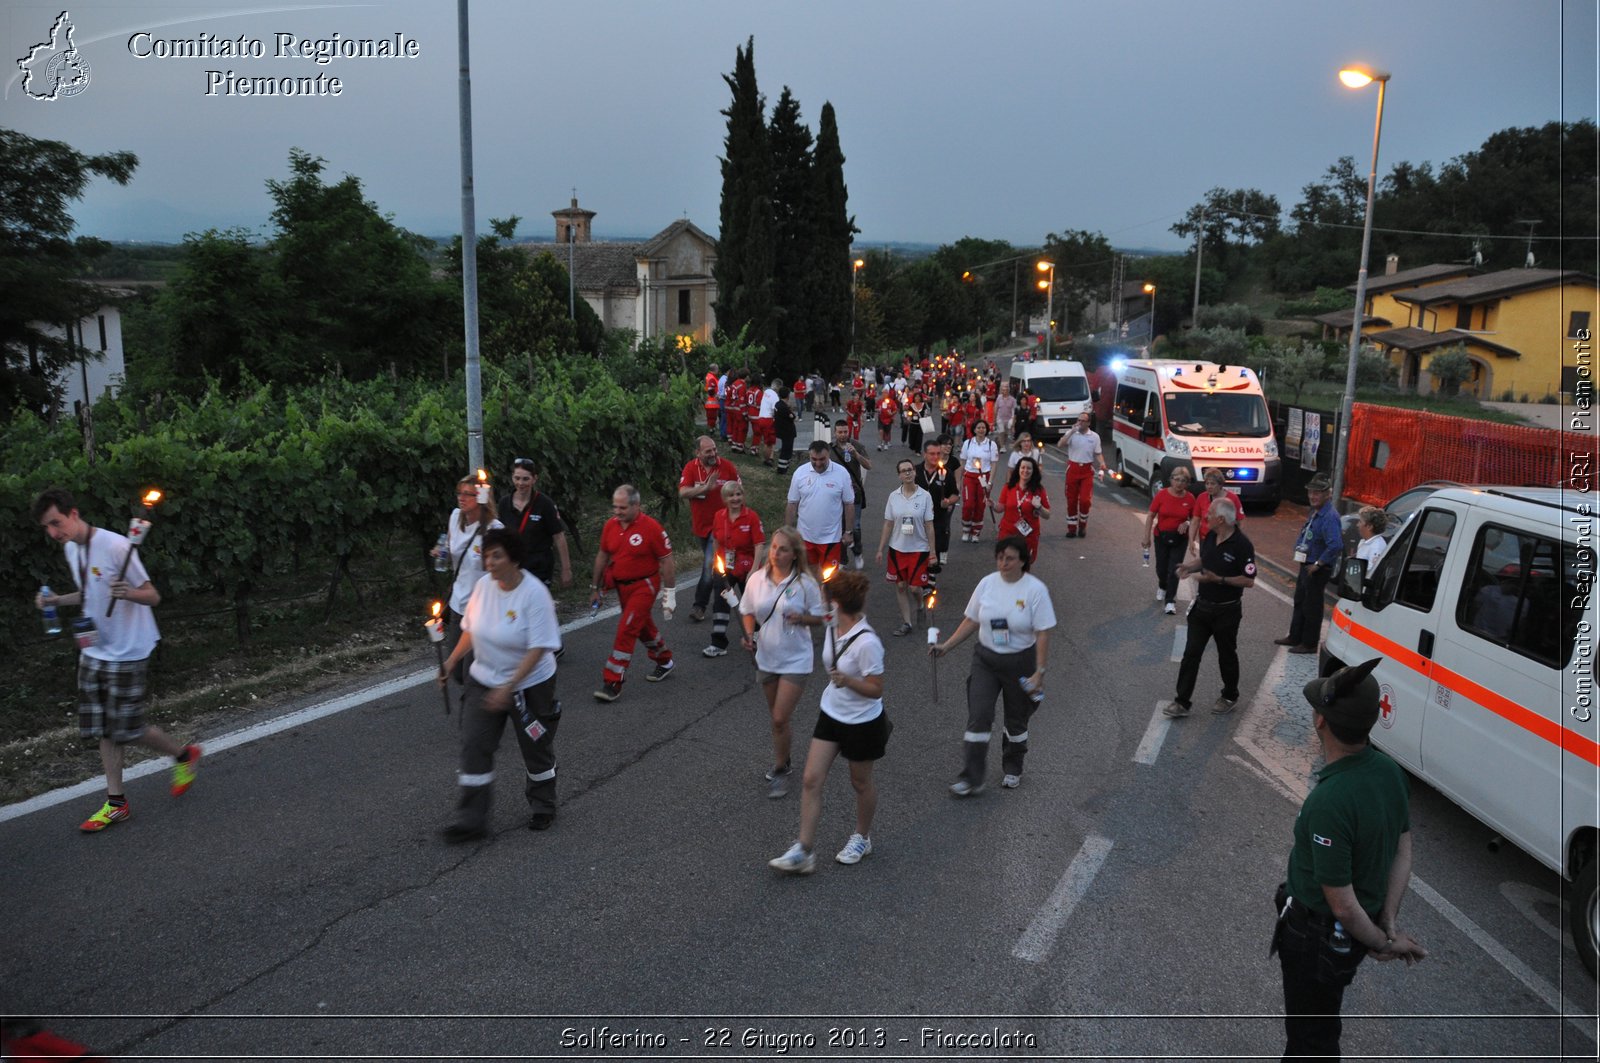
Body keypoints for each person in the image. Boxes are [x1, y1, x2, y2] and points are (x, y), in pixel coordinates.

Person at [1272, 657, 1427, 1060]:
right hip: (1351, 933)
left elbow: (1340, 902)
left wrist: (1383, 943)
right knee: (1321, 1026)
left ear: (1321, 721)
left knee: (1312, 1043)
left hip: (1317, 938)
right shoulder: (1390, 773)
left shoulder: (1329, 800)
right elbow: (1402, 851)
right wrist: (1386, 924)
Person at [32, 488, 201, 832]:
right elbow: (88, 592)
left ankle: (184, 755)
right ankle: (116, 803)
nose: (53, 532)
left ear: (74, 514)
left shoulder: (116, 546)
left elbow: (152, 595)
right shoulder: (71, 549)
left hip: (128, 649)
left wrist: (130, 592)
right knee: (103, 728)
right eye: (47, 527)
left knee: (128, 729)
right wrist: (56, 602)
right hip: (95, 647)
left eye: (56, 522)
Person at [437, 528, 562, 840]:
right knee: (474, 745)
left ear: (514, 560)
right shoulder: (482, 587)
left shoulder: (534, 594)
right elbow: (471, 628)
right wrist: (451, 661)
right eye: (487, 555)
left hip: (530, 684)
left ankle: (543, 805)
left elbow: (538, 648)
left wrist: (509, 687)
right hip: (484, 678)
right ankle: (471, 820)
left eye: (497, 556)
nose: (489, 562)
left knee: (535, 747)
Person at [768, 569, 888, 873]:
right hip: (832, 713)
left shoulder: (867, 643)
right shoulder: (832, 622)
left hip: (862, 721)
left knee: (860, 782)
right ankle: (804, 851)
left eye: (825, 599)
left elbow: (876, 689)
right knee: (811, 779)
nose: (821, 604)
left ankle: (862, 837)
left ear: (835, 605)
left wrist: (848, 680)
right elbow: (812, 619)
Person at [930, 536, 1056, 794]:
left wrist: (1039, 672)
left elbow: (1043, 632)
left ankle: (1013, 765)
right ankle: (972, 778)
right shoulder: (987, 584)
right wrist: (946, 646)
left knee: (1016, 721)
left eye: (1009, 558)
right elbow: (971, 620)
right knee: (979, 716)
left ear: (1023, 560)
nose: (1003, 563)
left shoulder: (1035, 590)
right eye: (1000, 557)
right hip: (985, 660)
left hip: (1020, 661)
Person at [739, 526, 828, 798]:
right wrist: (749, 635)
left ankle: (779, 770)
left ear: (794, 554)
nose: (776, 553)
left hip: (796, 660)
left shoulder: (805, 584)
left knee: (780, 717)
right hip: (765, 658)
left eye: (783, 549)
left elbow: (823, 617)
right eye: (774, 547)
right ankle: (786, 759)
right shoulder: (757, 580)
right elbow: (747, 610)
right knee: (777, 719)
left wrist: (802, 619)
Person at [1162, 498, 1256, 718]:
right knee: (1191, 654)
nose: (1206, 517)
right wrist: (1188, 566)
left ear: (1221, 519)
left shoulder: (1243, 545)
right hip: (1202, 608)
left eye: (1210, 514)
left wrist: (1219, 580)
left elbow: (1249, 580)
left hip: (1227, 611)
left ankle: (1230, 695)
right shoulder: (1212, 535)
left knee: (1226, 655)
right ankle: (1182, 702)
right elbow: (1205, 560)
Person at [590, 485, 676, 702]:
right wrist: (595, 588)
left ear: (636, 506)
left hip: (644, 586)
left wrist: (670, 593)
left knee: (627, 628)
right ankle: (664, 660)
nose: (617, 512)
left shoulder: (652, 528)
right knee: (642, 627)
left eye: (622, 507)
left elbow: (666, 561)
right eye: (615, 507)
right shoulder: (610, 526)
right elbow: (602, 555)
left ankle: (613, 681)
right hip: (622, 587)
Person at [439, 474, 505, 678]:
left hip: (482, 609)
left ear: (482, 497)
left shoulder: (494, 529)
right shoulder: (454, 517)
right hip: (459, 603)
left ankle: (477, 704)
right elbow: (449, 549)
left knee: (472, 672)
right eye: (460, 493)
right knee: (457, 671)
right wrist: (440, 551)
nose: (462, 498)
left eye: (468, 494)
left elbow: (504, 569)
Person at [1275, 474, 1343, 654]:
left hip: (1316, 567)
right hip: (1307, 563)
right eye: (1311, 492)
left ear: (1327, 494)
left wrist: (1319, 564)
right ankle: (1295, 636)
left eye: (1317, 493)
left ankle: (1310, 643)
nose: (1313, 496)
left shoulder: (1329, 516)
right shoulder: (1315, 512)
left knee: (1311, 605)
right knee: (1300, 600)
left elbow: (1335, 545)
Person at [677, 435, 741, 623]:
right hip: (701, 528)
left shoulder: (726, 467)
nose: (713, 453)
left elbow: (739, 491)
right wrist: (705, 489)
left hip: (722, 528)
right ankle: (724, 600)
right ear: (698, 453)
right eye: (708, 451)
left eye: (714, 449)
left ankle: (700, 606)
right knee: (718, 568)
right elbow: (683, 492)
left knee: (709, 566)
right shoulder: (691, 468)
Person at [703, 481, 766, 658]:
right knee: (721, 602)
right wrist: (717, 561)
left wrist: (754, 570)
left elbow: (759, 544)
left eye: (738, 494)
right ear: (724, 499)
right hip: (726, 568)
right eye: (731, 495)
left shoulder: (751, 517)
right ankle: (718, 643)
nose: (735, 498)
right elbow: (716, 540)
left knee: (751, 604)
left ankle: (756, 636)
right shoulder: (719, 516)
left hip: (747, 568)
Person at [876, 458, 936, 637]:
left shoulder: (925, 496)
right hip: (897, 549)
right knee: (901, 586)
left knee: (914, 588)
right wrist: (880, 548)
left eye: (910, 470)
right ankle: (906, 622)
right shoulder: (893, 496)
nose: (907, 473)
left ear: (915, 472)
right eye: (903, 471)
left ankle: (919, 605)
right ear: (899, 475)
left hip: (918, 549)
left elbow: (929, 525)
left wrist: (932, 551)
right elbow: (888, 523)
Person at [498, 458, 572, 588]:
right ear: (512, 478)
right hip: (513, 568)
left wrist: (566, 569)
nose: (520, 483)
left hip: (539, 569)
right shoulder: (504, 504)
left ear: (534, 479)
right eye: (517, 478)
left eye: (525, 479)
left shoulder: (545, 504)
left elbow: (559, 537)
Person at [785, 440, 854, 573]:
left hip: (831, 540)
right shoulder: (800, 473)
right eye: (814, 459)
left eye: (822, 459)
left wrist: (848, 532)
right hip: (804, 538)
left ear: (828, 455)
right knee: (807, 577)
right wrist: (787, 532)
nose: (818, 463)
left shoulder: (841, 473)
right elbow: (792, 504)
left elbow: (849, 504)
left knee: (829, 579)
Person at [1143, 467, 1196, 615]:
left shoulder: (1190, 498)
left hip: (1180, 539)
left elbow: (1195, 519)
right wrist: (1146, 537)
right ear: (1171, 480)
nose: (1179, 483)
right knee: (1161, 568)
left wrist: (1187, 524)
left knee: (1174, 569)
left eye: (1183, 481)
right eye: (1177, 479)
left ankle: (1170, 601)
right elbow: (1150, 515)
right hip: (1161, 536)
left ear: (1187, 483)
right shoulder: (1162, 495)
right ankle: (1162, 585)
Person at [829, 418, 872, 569]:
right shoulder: (829, 449)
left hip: (854, 492)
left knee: (855, 526)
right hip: (835, 494)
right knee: (839, 527)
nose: (843, 435)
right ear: (835, 433)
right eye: (840, 432)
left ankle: (858, 552)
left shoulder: (857, 446)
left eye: (845, 432)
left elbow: (869, 465)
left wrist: (857, 456)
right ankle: (842, 559)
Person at [993, 455, 1051, 563]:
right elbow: (1000, 508)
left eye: (1029, 468)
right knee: (1007, 564)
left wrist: (1039, 507)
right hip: (1008, 533)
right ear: (1018, 469)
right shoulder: (1008, 487)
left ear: (1033, 471)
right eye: (1022, 467)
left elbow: (1047, 515)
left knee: (1024, 565)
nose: (1025, 470)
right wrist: (993, 505)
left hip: (1029, 535)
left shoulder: (1039, 490)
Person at [1060, 412, 1109, 539]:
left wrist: (1102, 463)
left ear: (1088, 423)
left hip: (1087, 470)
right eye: (1078, 420)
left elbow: (1098, 453)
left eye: (1083, 421)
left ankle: (1082, 525)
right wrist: (1071, 432)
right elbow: (1060, 444)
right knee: (1071, 500)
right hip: (1073, 469)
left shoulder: (1094, 437)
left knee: (1085, 500)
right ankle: (1071, 528)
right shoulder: (1072, 434)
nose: (1080, 422)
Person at [914, 436, 960, 569]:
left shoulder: (946, 473)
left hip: (938, 519)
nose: (935, 457)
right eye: (932, 454)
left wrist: (948, 501)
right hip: (917, 519)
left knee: (935, 555)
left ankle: (930, 584)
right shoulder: (915, 471)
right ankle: (920, 579)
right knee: (917, 553)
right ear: (925, 454)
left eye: (938, 454)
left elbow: (955, 494)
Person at [958, 420, 999, 543]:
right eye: (978, 427)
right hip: (970, 476)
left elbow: (994, 464)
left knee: (980, 506)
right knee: (968, 504)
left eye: (983, 428)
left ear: (986, 430)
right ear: (974, 429)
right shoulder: (968, 443)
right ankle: (966, 528)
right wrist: (959, 480)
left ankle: (976, 531)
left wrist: (990, 482)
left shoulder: (991, 445)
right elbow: (963, 461)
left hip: (984, 478)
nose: (981, 430)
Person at [1188, 469, 1245, 555]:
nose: (1209, 487)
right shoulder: (1201, 497)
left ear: (1220, 485)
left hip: (1224, 539)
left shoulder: (1232, 498)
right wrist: (1191, 540)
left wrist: (1237, 540)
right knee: (1205, 565)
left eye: (1213, 484)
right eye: (1207, 484)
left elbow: (1241, 521)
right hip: (1205, 538)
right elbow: (1195, 520)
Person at [755, 377, 781, 467]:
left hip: (761, 417)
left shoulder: (766, 392)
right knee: (769, 442)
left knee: (767, 440)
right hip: (768, 420)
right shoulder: (775, 397)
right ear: (778, 387)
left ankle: (770, 457)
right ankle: (767, 460)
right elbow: (775, 410)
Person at [773, 386, 798, 476]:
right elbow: (792, 417)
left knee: (785, 449)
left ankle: (783, 466)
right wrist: (790, 410)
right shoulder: (784, 407)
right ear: (788, 396)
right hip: (787, 431)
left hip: (781, 430)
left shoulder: (777, 404)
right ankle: (782, 468)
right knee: (787, 450)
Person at [726, 371, 749, 454]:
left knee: (735, 428)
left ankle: (734, 444)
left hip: (734, 408)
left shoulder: (735, 383)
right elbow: (742, 400)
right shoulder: (742, 385)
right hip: (739, 409)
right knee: (741, 429)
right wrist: (744, 413)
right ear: (746, 376)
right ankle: (740, 446)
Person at [995, 386, 1017, 452]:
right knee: (1001, 432)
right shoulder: (999, 398)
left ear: (1008, 391)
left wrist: (1013, 419)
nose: (1003, 392)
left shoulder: (1012, 400)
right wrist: (994, 418)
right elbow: (996, 408)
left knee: (1006, 433)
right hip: (1000, 418)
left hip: (1008, 418)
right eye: (1002, 390)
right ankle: (1002, 446)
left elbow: (1014, 410)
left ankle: (1000, 442)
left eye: (1005, 390)